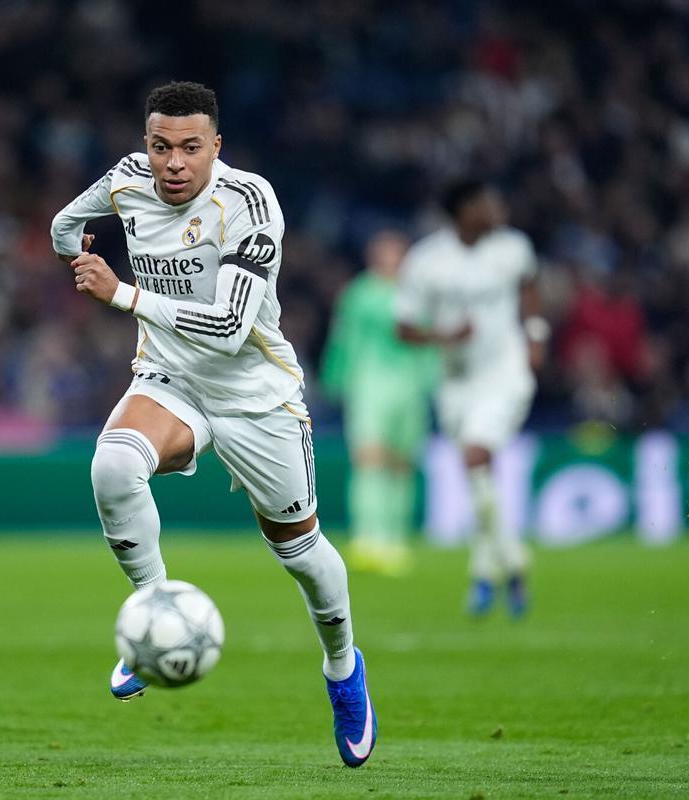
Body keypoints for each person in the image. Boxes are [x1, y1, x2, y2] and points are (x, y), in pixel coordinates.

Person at [50, 81, 375, 768]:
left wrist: (121, 293)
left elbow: (229, 329)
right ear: (146, 144)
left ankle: (343, 667)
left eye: (190, 148)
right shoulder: (127, 180)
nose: (173, 163)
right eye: (161, 146)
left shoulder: (250, 203)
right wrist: (69, 244)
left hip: (256, 398)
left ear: (215, 148)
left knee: (303, 557)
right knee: (112, 466)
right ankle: (153, 616)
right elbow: (61, 224)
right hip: (171, 382)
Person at [394, 179, 547, 617]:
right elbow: (404, 327)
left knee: (476, 457)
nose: (495, 206)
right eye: (485, 202)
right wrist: (446, 336)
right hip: (455, 383)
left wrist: (536, 337)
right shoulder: (427, 261)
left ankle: (514, 564)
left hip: (506, 373)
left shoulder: (512, 248)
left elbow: (529, 287)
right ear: (462, 210)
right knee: (481, 479)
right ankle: (491, 571)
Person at [320, 230, 435, 576]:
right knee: (369, 458)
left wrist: (434, 381)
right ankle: (368, 537)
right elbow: (343, 338)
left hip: (411, 385)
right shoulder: (359, 294)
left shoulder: (417, 294)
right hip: (369, 383)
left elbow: (429, 341)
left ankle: (396, 537)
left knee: (402, 462)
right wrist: (336, 378)